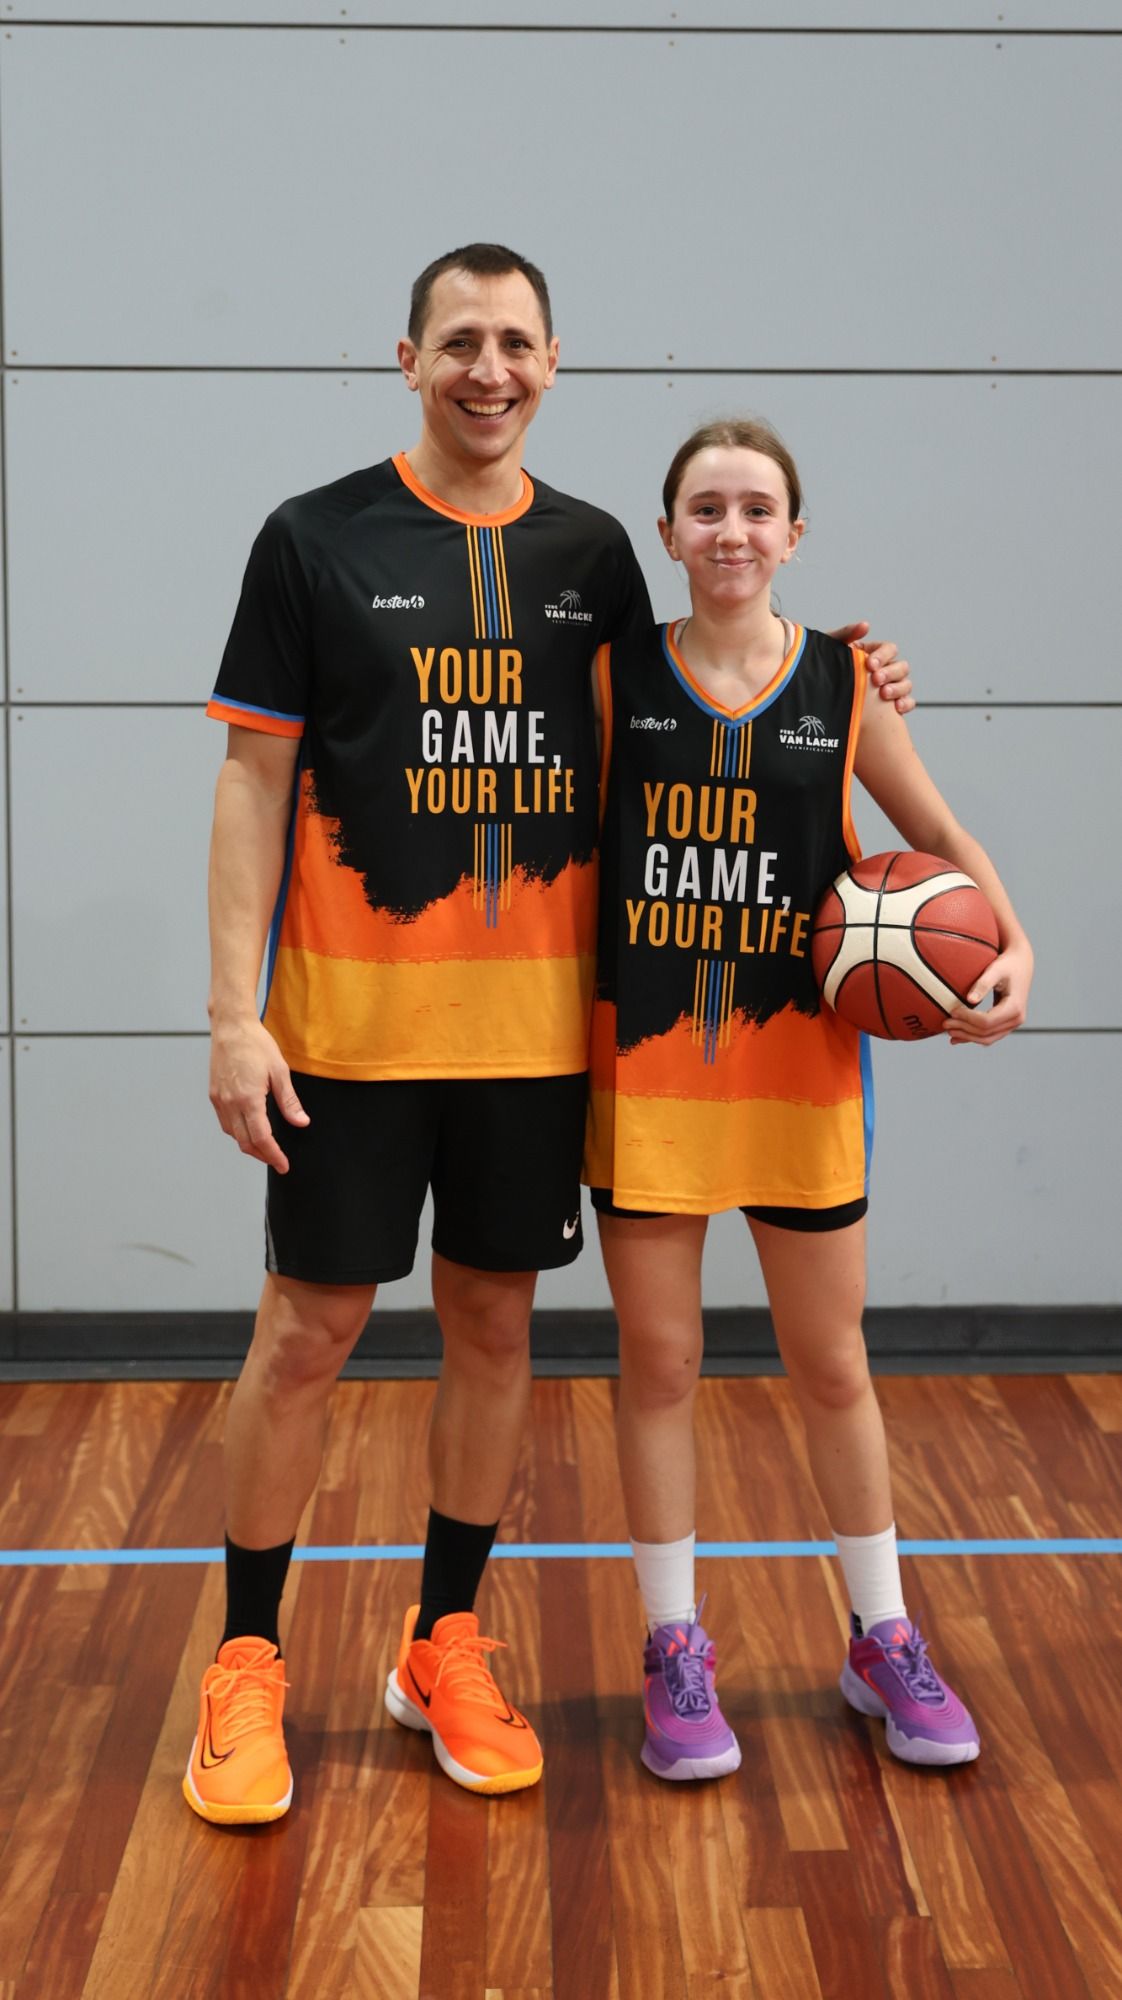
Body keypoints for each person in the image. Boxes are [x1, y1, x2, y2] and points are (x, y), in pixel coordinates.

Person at [188, 248, 913, 1825]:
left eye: (514, 341)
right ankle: (244, 1661)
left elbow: (700, 699)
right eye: (459, 340)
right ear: (406, 359)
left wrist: (850, 677)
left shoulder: (591, 555)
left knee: (495, 1333)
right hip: (348, 1034)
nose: (487, 368)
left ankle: (441, 1641)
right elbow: (253, 782)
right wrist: (235, 1015)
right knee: (304, 1337)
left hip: (533, 1043)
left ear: (553, 361)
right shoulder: (312, 539)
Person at [584, 417, 1033, 1780]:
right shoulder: (609, 677)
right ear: (667, 532)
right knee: (661, 1366)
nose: (730, 530)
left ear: (793, 533)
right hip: (650, 1075)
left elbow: (937, 837)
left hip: (801, 1079)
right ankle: (673, 1646)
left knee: (832, 1365)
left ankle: (880, 1635)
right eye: (705, 508)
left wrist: (1012, 949)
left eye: (755, 508)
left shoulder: (845, 685)